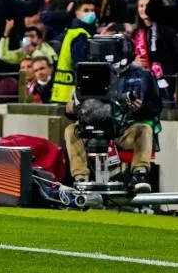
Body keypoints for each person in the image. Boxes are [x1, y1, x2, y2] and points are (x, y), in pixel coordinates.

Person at [63, 37, 161, 193]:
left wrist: (139, 108)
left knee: (144, 129)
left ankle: (139, 175)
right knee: (70, 131)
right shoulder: (87, 72)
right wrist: (70, 110)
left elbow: (156, 108)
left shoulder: (143, 76)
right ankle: (81, 178)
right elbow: (76, 107)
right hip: (92, 129)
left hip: (123, 131)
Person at [51, 0, 98, 105]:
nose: (90, 13)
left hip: (61, 92)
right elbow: (80, 64)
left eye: (92, 10)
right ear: (77, 13)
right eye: (86, 10)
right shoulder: (81, 35)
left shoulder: (71, 31)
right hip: (72, 95)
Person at [133, 0, 178, 99]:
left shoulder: (167, 31)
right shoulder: (135, 33)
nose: (144, 9)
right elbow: (129, 59)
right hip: (142, 84)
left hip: (166, 84)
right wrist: (134, 62)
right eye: (141, 6)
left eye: (147, 6)